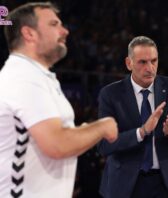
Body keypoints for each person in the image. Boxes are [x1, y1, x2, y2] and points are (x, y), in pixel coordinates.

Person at [0, 2, 118, 198]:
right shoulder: (24, 77)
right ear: (29, 34)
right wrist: (103, 127)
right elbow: (57, 144)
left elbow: (54, 139)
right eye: (54, 24)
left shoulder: (36, 76)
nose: (65, 31)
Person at [98, 36, 168, 198]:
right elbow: (104, 146)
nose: (150, 68)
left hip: (166, 186)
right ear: (129, 63)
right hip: (124, 186)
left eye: (154, 61)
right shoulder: (110, 94)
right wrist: (141, 132)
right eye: (142, 62)